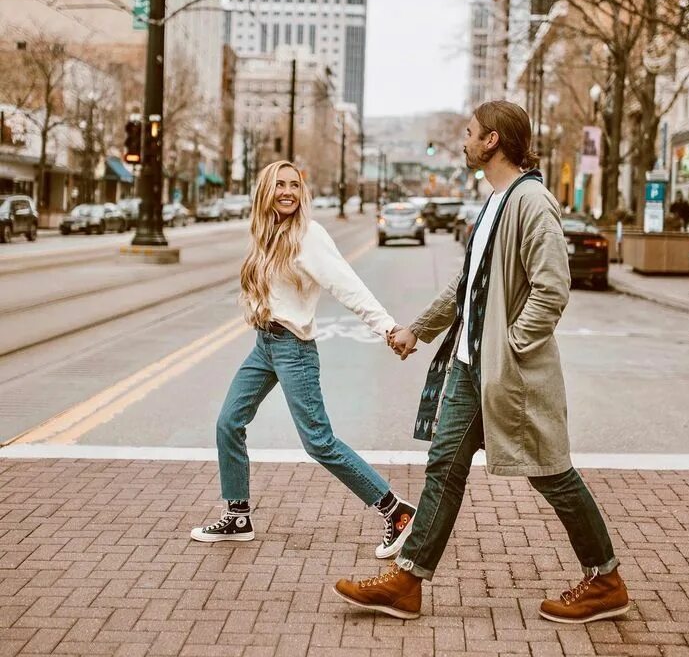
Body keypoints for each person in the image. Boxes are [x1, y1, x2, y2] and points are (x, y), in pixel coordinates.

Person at [333, 101, 629, 624]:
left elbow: (552, 290)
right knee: (444, 468)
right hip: (471, 370)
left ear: (492, 141)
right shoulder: (495, 201)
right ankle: (407, 581)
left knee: (551, 473)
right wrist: (418, 330)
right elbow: (466, 286)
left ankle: (605, 579)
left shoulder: (531, 202)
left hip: (508, 371)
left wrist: (511, 344)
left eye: (470, 134)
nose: (463, 142)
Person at [191, 160, 415, 558]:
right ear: (266, 190)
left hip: (294, 349)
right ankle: (238, 514)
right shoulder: (268, 231)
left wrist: (387, 327)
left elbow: (348, 286)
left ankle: (396, 512)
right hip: (265, 344)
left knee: (319, 442)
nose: (288, 192)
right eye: (280, 184)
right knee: (229, 423)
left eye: (294, 185)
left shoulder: (309, 235)